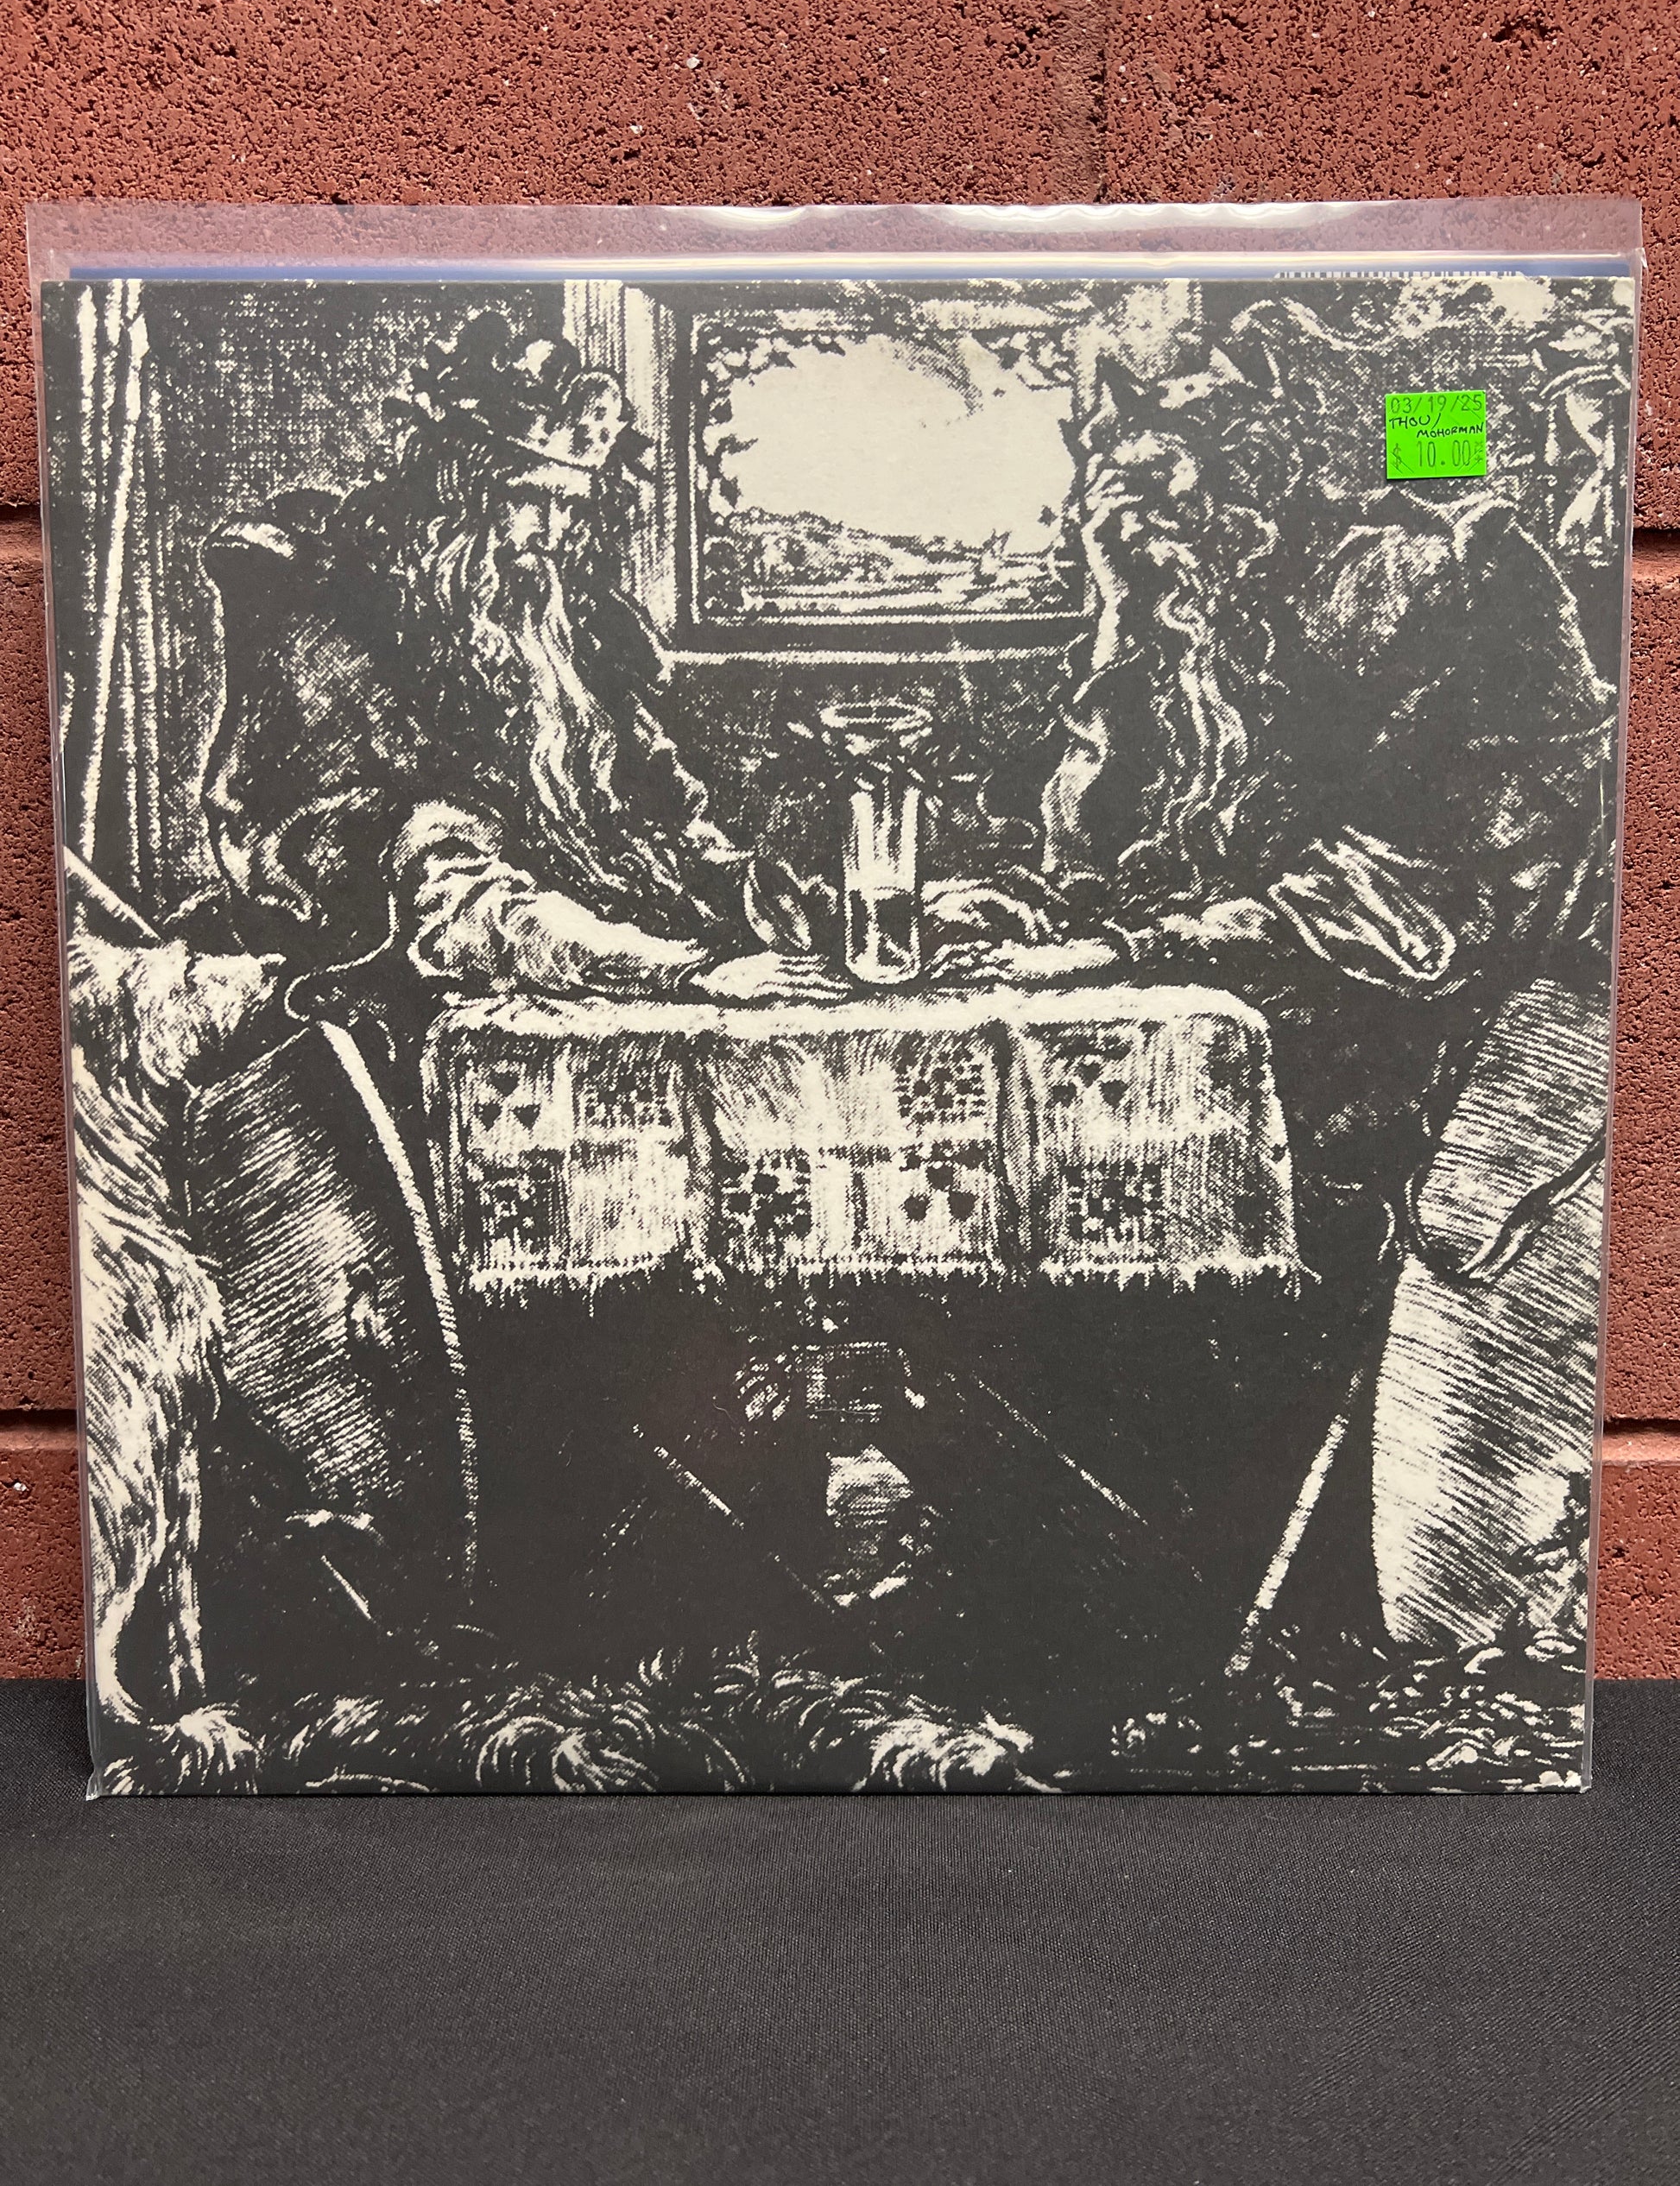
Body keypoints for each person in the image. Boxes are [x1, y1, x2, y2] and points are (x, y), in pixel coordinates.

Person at [958, 299, 1620, 1660]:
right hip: (1211, 1008)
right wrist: (1048, 892)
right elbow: (1131, 829)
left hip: (1397, 1048)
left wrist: (1142, 944)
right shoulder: (1195, 603)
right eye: (1136, 512)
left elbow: (1429, 888)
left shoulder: (1461, 577)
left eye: (1186, 503)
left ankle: (1215, 1622)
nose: (1161, 541)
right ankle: (1070, 1598)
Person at [199, 309, 847, 1020]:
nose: (554, 533)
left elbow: (656, 824)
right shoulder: (357, 642)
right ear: (460, 498)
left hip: (591, 957)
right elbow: (463, 909)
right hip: (410, 998)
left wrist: (787, 900)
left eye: (570, 505)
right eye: (529, 498)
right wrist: (686, 969)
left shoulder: (562, 630)